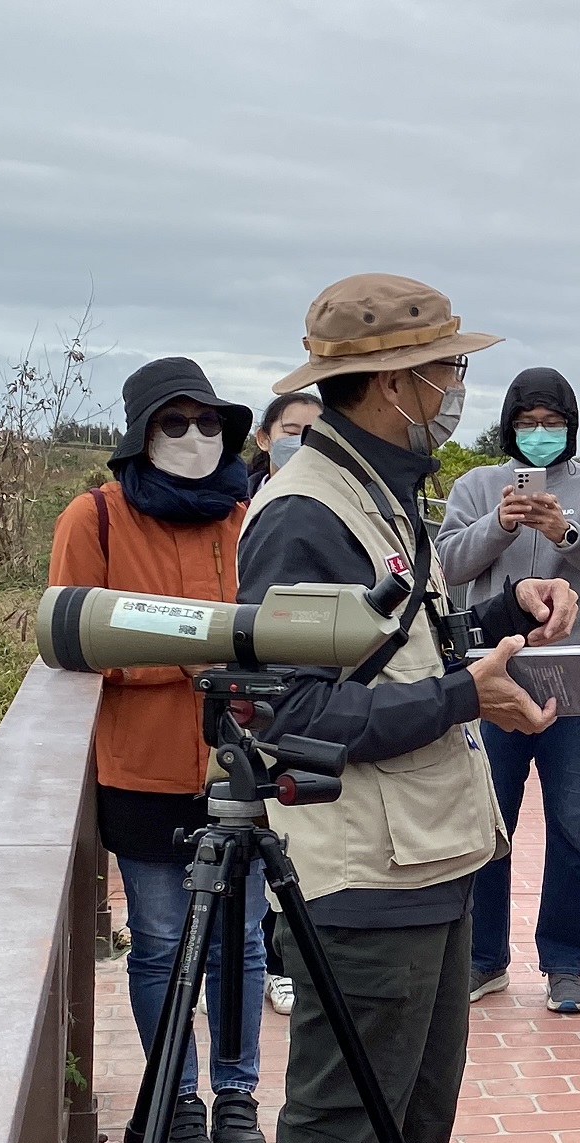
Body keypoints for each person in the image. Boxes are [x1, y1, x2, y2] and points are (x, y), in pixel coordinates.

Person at [208, 274, 580, 1143]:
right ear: (388, 383)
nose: (455, 391)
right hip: (361, 873)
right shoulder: (303, 512)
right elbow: (292, 713)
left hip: (426, 858)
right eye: (443, 371)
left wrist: (495, 616)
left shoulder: (380, 490)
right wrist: (465, 695)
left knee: (408, 1130)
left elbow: (383, 648)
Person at [49, 357, 269, 1143]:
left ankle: (237, 1094)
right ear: (141, 433)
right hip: (140, 769)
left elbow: (276, 626)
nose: (195, 436)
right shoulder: (95, 518)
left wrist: (230, 667)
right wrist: (181, 658)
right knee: (162, 942)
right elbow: (70, 638)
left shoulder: (249, 515)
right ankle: (175, 1097)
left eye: (209, 422)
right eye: (174, 422)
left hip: (241, 763)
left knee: (242, 941)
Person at [439, 368, 580, 1016]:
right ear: (509, 426)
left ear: (571, 425)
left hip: (574, 689)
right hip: (491, 685)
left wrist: (564, 534)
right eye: (528, 423)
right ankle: (484, 959)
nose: (540, 433)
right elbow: (447, 565)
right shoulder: (476, 486)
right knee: (489, 828)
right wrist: (499, 524)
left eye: (552, 423)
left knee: (574, 830)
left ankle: (565, 965)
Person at [246, 391, 325, 1018]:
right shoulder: (249, 510)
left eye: (313, 432)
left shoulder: (323, 508)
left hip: (291, 710)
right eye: (291, 429)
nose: (302, 441)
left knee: (286, 850)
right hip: (248, 709)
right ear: (265, 437)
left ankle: (278, 965)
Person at [248, 390, 323, 499]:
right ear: (263, 439)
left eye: (312, 434)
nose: (302, 441)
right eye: (292, 433)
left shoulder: (339, 501)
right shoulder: (237, 502)